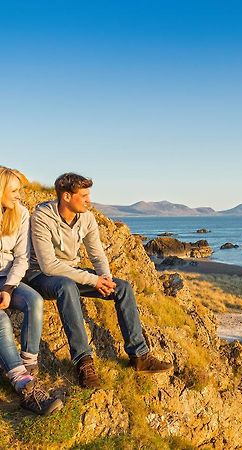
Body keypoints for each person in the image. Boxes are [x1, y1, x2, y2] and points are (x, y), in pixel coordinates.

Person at [27, 173, 173, 389]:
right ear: (66, 196)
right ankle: (84, 363)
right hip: (40, 275)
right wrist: (92, 280)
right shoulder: (42, 216)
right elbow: (49, 266)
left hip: (71, 271)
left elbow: (96, 255)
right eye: (84, 195)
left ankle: (139, 356)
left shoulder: (87, 217)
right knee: (66, 287)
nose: (89, 200)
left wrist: (105, 279)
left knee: (122, 287)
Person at [0, 167, 63, 415]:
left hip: (8, 278)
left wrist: (7, 287)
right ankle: (24, 387)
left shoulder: (22, 214)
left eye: (21, 190)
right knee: (1, 319)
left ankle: (29, 368)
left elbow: (22, 258)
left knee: (34, 300)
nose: (19, 195)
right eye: (14, 190)